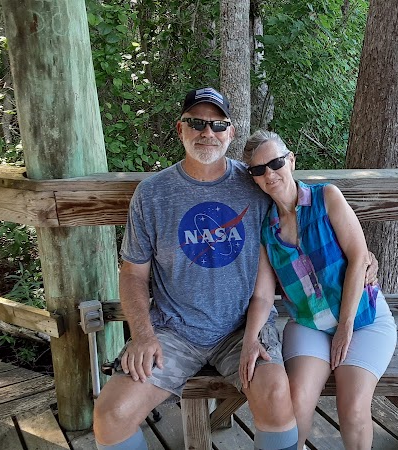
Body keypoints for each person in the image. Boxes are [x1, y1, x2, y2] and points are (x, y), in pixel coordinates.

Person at [93, 87, 298, 450]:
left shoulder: (255, 182)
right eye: (197, 123)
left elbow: (300, 214)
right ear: (180, 129)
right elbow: (133, 273)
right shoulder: (153, 193)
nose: (208, 133)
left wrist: (360, 260)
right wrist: (142, 334)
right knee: (112, 414)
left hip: (243, 328)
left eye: (218, 125)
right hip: (173, 332)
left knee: (277, 396)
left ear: (231, 133)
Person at [242, 130, 398, 450]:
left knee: (353, 409)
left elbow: (359, 258)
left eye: (275, 163)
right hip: (309, 324)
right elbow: (261, 296)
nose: (270, 174)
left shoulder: (327, 197)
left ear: (291, 161)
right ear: (254, 179)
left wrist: (345, 325)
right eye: (259, 170)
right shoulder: (266, 232)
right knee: (296, 404)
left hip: (363, 319)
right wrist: (250, 339)